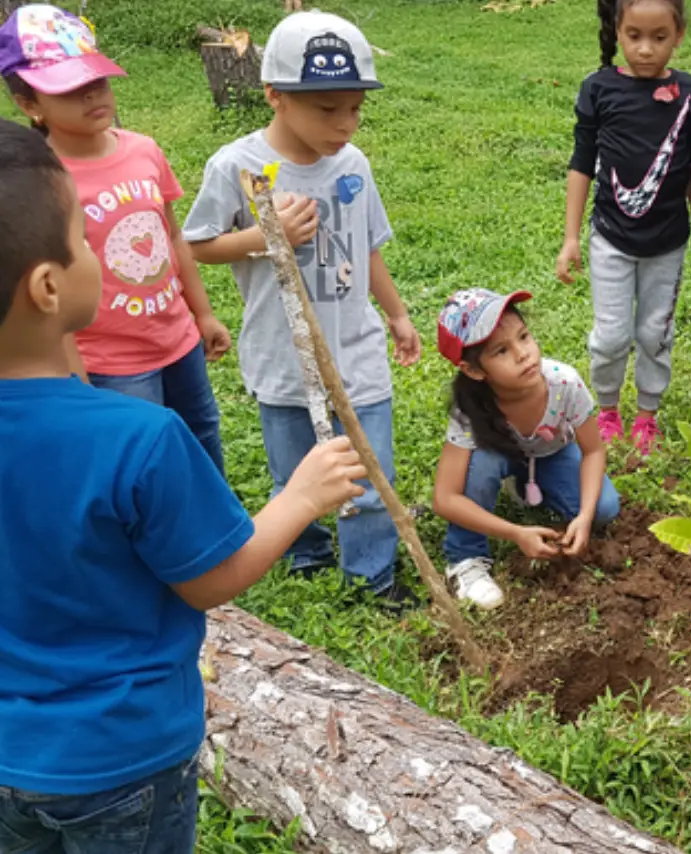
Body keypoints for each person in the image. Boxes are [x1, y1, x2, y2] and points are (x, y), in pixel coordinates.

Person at [0, 117, 366, 854]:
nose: (93, 252)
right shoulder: (138, 440)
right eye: (80, 240)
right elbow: (210, 580)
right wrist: (300, 497)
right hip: (123, 759)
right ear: (47, 287)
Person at [184, 11, 422, 603]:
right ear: (275, 95)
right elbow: (198, 245)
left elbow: (367, 248)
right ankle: (305, 554)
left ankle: (372, 576)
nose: (345, 123)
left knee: (369, 469)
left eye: (355, 108)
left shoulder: (354, 165)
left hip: (356, 349)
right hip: (282, 356)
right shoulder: (236, 167)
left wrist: (395, 314)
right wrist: (267, 235)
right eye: (327, 109)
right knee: (295, 473)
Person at [1, 4, 232, 473]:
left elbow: (171, 234)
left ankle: (219, 534)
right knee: (141, 459)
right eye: (72, 90)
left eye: (97, 81)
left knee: (201, 431)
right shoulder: (45, 181)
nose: (93, 97)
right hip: (111, 359)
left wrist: (202, 313)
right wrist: (75, 371)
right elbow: (55, 291)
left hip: (178, 337)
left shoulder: (143, 150)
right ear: (30, 106)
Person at [555, 0, 691, 456]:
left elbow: (687, 161)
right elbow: (582, 164)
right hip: (611, 240)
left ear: (678, 35)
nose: (645, 49)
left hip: (668, 243)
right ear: (617, 33)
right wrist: (570, 238)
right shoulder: (599, 88)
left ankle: (646, 414)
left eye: (659, 38)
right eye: (634, 36)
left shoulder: (689, 92)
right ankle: (606, 409)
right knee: (611, 336)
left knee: (654, 332)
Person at [432, 289, 620, 609]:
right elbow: (445, 498)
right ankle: (466, 558)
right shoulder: (470, 409)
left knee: (605, 508)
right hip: (496, 454)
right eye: (502, 351)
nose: (523, 354)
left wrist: (585, 517)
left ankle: (525, 484)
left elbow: (594, 451)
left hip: (552, 453)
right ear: (474, 371)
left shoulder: (564, 383)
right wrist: (515, 532)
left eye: (524, 336)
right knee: (482, 466)